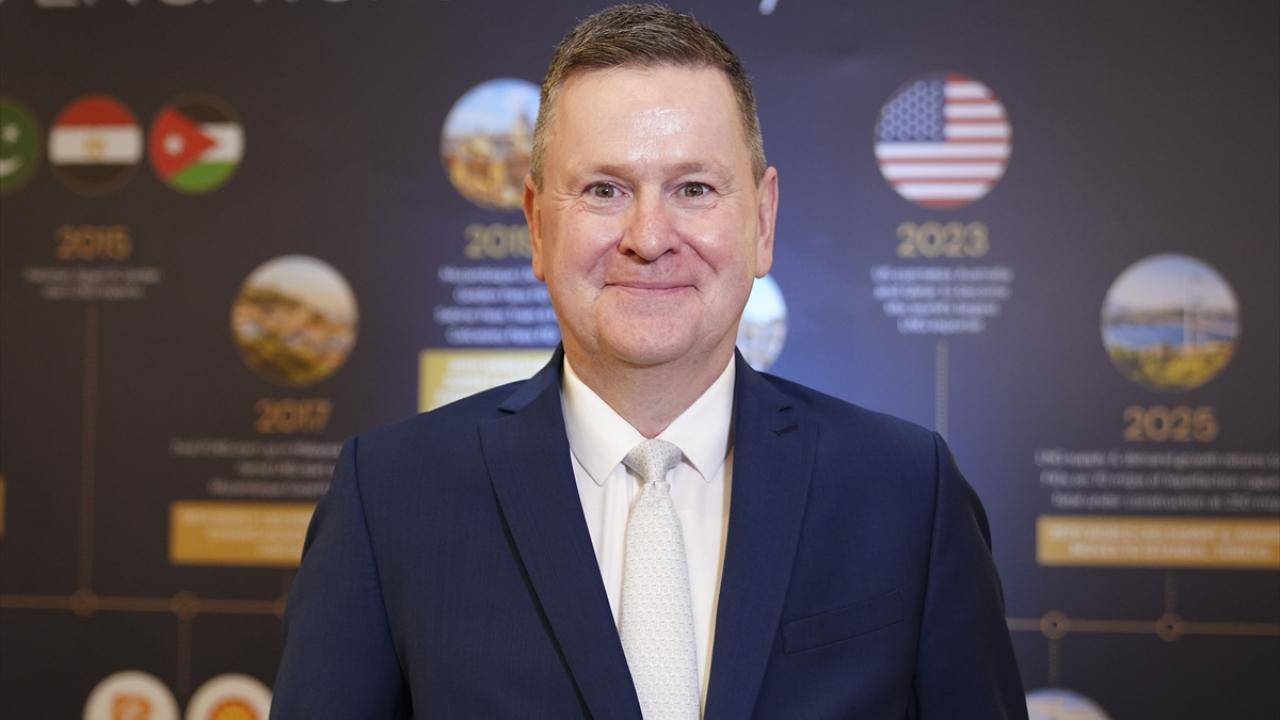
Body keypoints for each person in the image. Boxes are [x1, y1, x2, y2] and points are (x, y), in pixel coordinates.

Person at [271, 4, 1027, 718]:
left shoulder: (908, 493)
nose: (649, 237)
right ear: (537, 226)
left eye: (694, 188)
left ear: (763, 220)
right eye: (604, 189)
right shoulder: (390, 499)